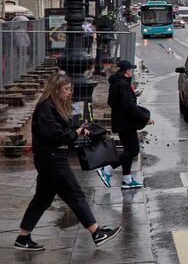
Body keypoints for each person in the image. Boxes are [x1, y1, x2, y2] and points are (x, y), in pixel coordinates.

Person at [15, 75, 120, 251]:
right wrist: (75, 132)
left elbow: (61, 130)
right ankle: (96, 233)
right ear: (56, 90)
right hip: (52, 158)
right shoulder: (45, 108)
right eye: (67, 89)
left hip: (51, 158)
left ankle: (22, 237)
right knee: (75, 194)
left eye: (70, 89)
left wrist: (77, 130)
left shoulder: (53, 107)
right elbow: (55, 136)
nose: (70, 93)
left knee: (42, 199)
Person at [100, 60, 153, 189]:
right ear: (127, 71)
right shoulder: (122, 84)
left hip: (120, 121)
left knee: (128, 150)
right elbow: (129, 106)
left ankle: (127, 179)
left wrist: (131, 95)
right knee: (133, 149)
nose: (132, 72)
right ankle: (106, 169)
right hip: (126, 123)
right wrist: (145, 118)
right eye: (131, 70)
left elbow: (113, 102)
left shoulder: (116, 83)